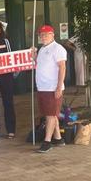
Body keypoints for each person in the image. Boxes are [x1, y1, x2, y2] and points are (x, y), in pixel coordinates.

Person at [34, 25, 67, 153]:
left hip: (52, 87)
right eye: (41, 35)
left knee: (51, 115)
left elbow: (62, 68)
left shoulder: (58, 49)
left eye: (46, 34)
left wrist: (59, 86)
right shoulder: (42, 48)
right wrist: (34, 55)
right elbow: (39, 63)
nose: (43, 37)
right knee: (51, 113)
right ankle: (58, 138)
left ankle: (47, 141)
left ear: (53, 34)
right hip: (42, 87)